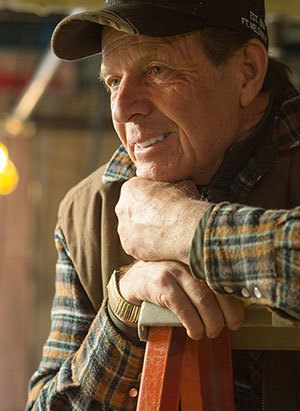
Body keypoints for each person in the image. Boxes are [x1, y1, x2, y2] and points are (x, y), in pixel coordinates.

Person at [26, 1, 300, 410]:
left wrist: (183, 228)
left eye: (157, 70)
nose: (122, 108)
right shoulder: (87, 211)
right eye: (113, 81)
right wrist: (122, 308)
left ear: (246, 73)